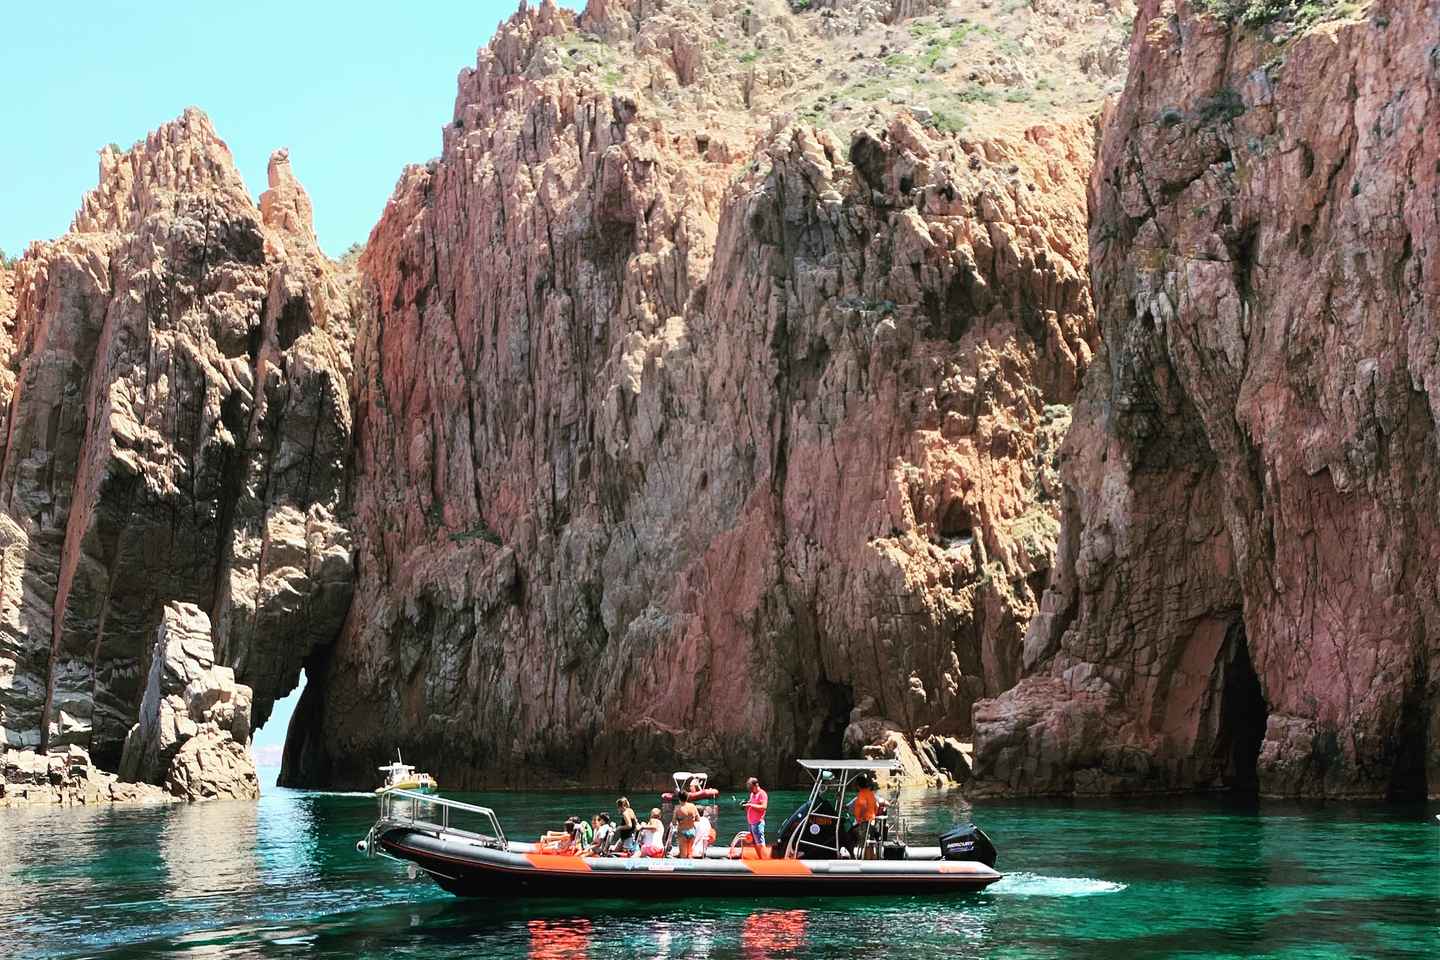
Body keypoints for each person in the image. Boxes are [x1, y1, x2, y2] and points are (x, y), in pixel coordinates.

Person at [850, 775, 880, 857]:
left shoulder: (861, 795)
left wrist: (860, 817)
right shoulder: (870, 794)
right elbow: (876, 806)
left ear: (857, 785)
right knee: (869, 841)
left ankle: (857, 857)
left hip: (865, 823)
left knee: (849, 834)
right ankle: (872, 857)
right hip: (872, 822)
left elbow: (862, 806)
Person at [743, 776, 768, 849]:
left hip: (758, 823)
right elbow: (751, 804)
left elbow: (764, 807)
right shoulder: (752, 794)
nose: (750, 789)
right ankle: (757, 857)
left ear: (756, 785)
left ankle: (764, 858)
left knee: (760, 843)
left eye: (751, 787)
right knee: (753, 843)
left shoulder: (762, 794)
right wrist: (746, 805)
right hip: (751, 823)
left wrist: (751, 805)